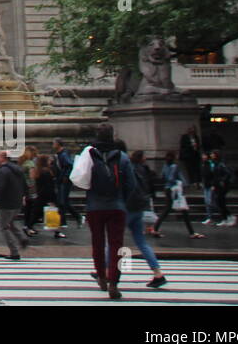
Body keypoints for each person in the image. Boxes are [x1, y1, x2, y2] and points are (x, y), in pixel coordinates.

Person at [78, 124, 136, 300]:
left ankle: (101, 277)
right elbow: (131, 185)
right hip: (116, 207)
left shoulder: (88, 155)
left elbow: (81, 179)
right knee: (116, 245)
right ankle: (114, 283)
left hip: (94, 206)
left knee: (97, 243)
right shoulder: (123, 157)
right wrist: (121, 201)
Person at [127, 150, 168, 288]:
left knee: (112, 239)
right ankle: (158, 273)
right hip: (139, 208)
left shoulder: (129, 168)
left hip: (128, 208)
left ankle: (106, 271)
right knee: (141, 242)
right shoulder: (144, 169)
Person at [154, 150, 201, 239]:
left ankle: (156, 228)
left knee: (167, 209)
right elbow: (173, 178)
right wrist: (180, 183)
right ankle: (192, 232)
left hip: (168, 189)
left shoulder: (165, 166)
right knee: (183, 210)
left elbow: (162, 177)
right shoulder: (174, 166)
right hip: (175, 190)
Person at [0, 150, 28, 260]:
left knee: (4, 227)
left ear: (3, 157)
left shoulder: (3, 171)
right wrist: (24, 196)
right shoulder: (18, 169)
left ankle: (14, 251)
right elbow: (25, 185)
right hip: (17, 202)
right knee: (10, 223)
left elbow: (0, 187)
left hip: (6, 203)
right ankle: (22, 238)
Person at [31, 155, 66, 239]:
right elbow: (49, 185)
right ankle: (57, 231)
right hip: (48, 195)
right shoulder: (46, 172)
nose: (50, 161)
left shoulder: (39, 171)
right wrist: (51, 199)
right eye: (48, 160)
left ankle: (28, 226)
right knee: (56, 212)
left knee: (37, 212)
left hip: (41, 195)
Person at [52, 139, 81, 228]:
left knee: (62, 201)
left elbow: (69, 165)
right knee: (63, 201)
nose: (53, 145)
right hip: (61, 180)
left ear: (58, 144)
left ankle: (68, 220)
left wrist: (65, 176)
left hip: (64, 181)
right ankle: (66, 220)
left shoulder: (64, 154)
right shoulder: (59, 154)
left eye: (54, 143)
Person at [203, 150, 236, 227]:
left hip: (222, 186)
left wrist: (222, 181)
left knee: (220, 202)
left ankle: (230, 217)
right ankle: (225, 219)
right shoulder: (214, 163)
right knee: (219, 202)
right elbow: (214, 176)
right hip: (217, 186)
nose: (211, 155)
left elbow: (226, 174)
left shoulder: (220, 164)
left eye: (212, 154)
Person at [179, 126, 203, 191]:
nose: (192, 132)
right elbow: (183, 146)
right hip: (188, 156)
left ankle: (198, 182)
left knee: (197, 169)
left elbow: (198, 145)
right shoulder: (185, 137)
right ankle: (192, 182)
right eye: (191, 131)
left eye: (194, 131)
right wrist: (191, 146)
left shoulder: (196, 137)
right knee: (190, 169)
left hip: (195, 155)